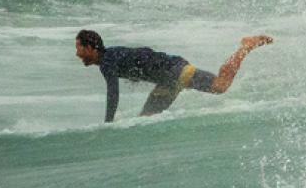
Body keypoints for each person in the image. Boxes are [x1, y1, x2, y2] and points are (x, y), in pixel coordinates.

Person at [74, 29, 273, 122]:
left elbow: (113, 94)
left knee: (221, 85)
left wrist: (108, 124)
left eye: (79, 48)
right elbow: (142, 55)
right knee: (145, 120)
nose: (77, 53)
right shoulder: (113, 55)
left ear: (90, 48)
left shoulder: (107, 61)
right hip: (167, 80)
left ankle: (246, 46)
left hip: (176, 71)